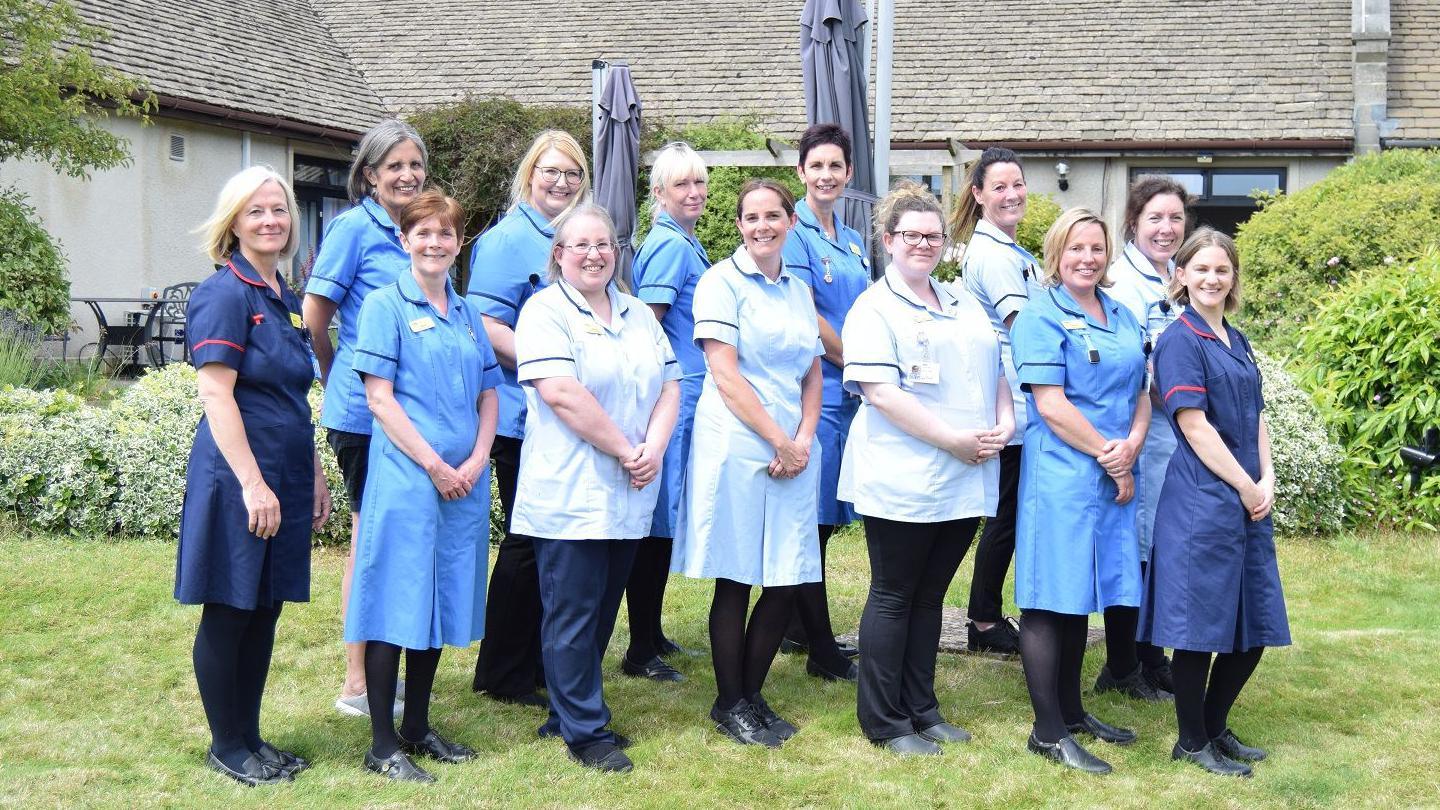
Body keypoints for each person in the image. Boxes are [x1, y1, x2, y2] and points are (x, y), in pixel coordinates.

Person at [838, 182, 1014, 756]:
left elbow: (998, 368)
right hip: (905, 476)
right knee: (894, 593)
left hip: (967, 470)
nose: (923, 244)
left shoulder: (962, 301)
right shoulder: (874, 308)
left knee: (931, 596)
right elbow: (881, 393)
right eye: (910, 235)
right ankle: (884, 722)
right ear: (888, 241)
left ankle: (922, 708)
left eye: (933, 236)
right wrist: (954, 440)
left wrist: (1005, 423)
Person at [512, 204, 681, 773]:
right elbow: (561, 393)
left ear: (616, 252)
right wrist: (626, 449)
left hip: (630, 485)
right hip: (572, 488)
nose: (593, 254)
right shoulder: (543, 311)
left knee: (603, 607)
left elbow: (671, 384)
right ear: (559, 255)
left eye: (604, 244)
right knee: (573, 612)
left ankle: (568, 709)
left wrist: (652, 449)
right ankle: (585, 731)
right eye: (579, 245)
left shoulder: (637, 313)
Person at [179, 166, 331, 786]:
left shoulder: (283, 296)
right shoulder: (225, 293)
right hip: (239, 476)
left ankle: (251, 735)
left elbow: (294, 395)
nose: (271, 221)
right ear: (234, 223)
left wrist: (314, 472)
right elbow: (217, 395)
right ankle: (226, 743)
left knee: (264, 607)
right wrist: (252, 483)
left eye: (279, 210)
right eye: (256, 212)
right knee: (230, 607)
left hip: (287, 472)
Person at [346, 190, 501, 783]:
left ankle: (417, 725)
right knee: (396, 602)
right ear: (405, 240)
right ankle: (382, 743)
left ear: (458, 244)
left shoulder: (464, 312)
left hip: (463, 482)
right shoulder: (385, 306)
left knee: (437, 600)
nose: (434, 243)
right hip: (412, 481)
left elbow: (490, 390)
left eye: (445, 234)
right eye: (422, 233)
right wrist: (436, 465)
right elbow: (379, 399)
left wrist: (479, 455)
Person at [672, 179, 823, 748]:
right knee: (737, 577)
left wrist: (803, 437)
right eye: (751, 217)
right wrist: (777, 441)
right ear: (738, 224)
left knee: (785, 577)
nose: (762, 226)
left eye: (773, 216)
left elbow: (813, 370)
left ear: (790, 221)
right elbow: (725, 374)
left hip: (793, 441)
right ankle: (729, 701)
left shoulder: (798, 290)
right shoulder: (719, 283)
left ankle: (753, 694)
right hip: (737, 441)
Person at [1142, 228, 1289, 777]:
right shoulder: (1178, 341)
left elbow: (1257, 417)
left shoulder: (1237, 338)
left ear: (1233, 279)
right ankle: (1190, 740)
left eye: (1222, 270)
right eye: (1201, 269)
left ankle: (1213, 724)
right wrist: (1247, 486)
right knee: (1200, 628)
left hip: (1249, 497)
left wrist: (1267, 477)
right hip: (1203, 500)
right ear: (1181, 276)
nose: (1212, 278)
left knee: (1253, 624)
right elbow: (1194, 426)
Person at [1011, 208, 1149, 775]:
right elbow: (1050, 405)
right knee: (1051, 597)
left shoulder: (1119, 313)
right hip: (1064, 476)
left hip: (1112, 469)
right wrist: (1111, 456)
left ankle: (1073, 713)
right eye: (1076, 249)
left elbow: (1142, 389)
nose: (1087, 259)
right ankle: (1047, 732)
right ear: (1055, 255)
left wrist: (1131, 446)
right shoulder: (1039, 317)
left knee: (1082, 598)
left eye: (1096, 248)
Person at [302, 119, 428, 717]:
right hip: (363, 412)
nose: (406, 175)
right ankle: (357, 680)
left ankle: (385, 667)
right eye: (394, 167)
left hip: (408, 411)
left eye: (414, 165)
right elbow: (315, 316)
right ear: (370, 175)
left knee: (393, 539)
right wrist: (336, 371)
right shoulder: (354, 229)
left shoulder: (420, 229)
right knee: (369, 538)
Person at [469, 130, 591, 707]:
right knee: (525, 544)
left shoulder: (581, 236)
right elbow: (487, 326)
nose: (560, 182)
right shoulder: (504, 241)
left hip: (573, 413)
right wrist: (557, 365)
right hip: (525, 415)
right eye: (550, 171)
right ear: (529, 175)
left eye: (571, 173)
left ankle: (545, 662)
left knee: (557, 545)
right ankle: (503, 671)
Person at [778, 123, 869, 682]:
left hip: (853, 393)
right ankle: (820, 649)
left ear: (849, 173)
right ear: (801, 173)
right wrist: (858, 365)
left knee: (827, 519)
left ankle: (794, 624)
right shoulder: (797, 235)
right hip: (822, 389)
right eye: (817, 166)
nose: (827, 175)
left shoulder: (854, 239)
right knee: (810, 522)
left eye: (836, 166)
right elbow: (806, 313)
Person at [1097, 176, 1193, 701]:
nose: (1166, 228)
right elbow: (1135, 367)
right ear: (1134, 222)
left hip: (1173, 439)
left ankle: (1152, 658)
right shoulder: (1123, 284)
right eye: (1155, 218)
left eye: (1175, 218)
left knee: (1160, 549)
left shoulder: (1173, 279)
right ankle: (1122, 665)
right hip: (1138, 434)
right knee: (1131, 550)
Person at [623, 142, 712, 683]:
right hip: (671, 402)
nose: (695, 193)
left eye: (700, 183)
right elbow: (649, 327)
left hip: (688, 399)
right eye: (682, 184)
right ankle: (639, 647)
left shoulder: (686, 243)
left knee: (663, 523)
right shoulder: (670, 247)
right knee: (655, 527)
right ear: (658, 194)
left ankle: (651, 633)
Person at [951, 147, 1037, 655]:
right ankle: (983, 621)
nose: (1011, 194)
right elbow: (1023, 332)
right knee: (1004, 517)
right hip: (1014, 406)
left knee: (1005, 515)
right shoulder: (995, 256)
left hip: (1014, 403)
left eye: (1018, 184)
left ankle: (985, 615)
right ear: (979, 195)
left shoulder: (1007, 250)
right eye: (999, 187)